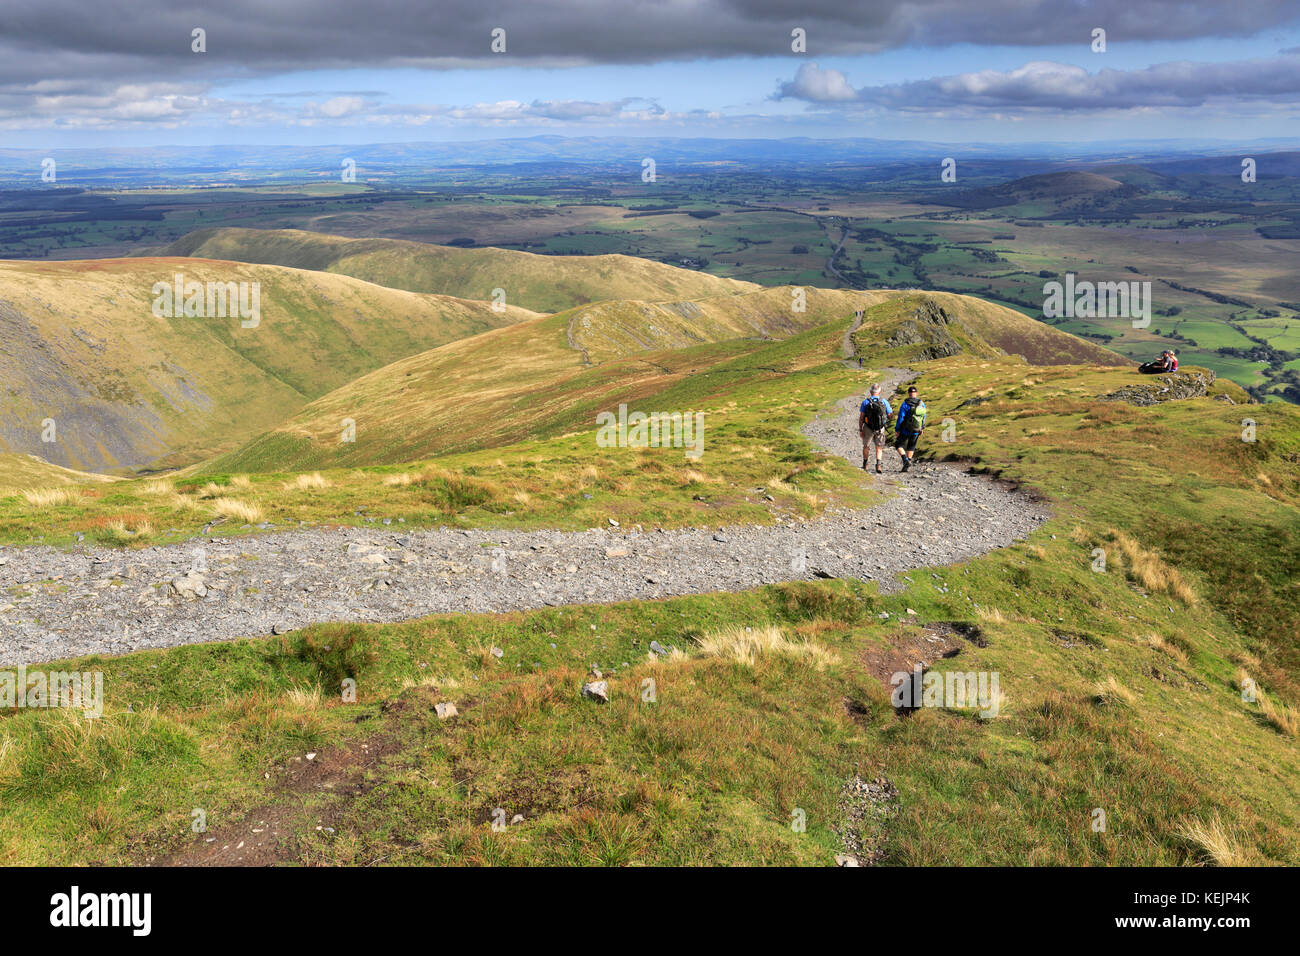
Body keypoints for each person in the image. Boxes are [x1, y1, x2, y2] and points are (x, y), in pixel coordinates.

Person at [858, 383, 893, 474]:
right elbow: (890, 415)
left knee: (866, 446)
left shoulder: (866, 402)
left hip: (868, 427)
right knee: (879, 446)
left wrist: (861, 429)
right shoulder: (884, 401)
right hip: (880, 428)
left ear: (870, 392)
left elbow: (861, 417)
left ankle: (865, 464)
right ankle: (878, 465)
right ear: (880, 391)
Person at [894, 385, 927, 472]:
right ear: (916, 393)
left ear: (908, 393)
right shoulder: (921, 403)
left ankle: (905, 460)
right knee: (911, 446)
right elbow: (924, 417)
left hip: (905, 429)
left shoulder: (905, 404)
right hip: (916, 430)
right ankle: (908, 462)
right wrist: (922, 428)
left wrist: (897, 429)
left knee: (898, 444)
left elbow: (901, 418)